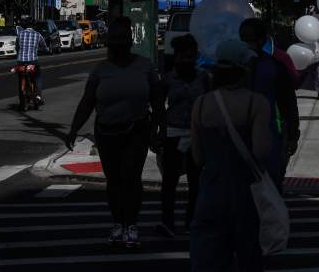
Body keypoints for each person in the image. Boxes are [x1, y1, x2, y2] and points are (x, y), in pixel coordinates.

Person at [66, 16, 165, 249]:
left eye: (123, 38)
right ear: (109, 43)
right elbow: (87, 102)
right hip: (106, 133)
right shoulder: (100, 70)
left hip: (137, 130)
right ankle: (118, 223)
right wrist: (73, 130)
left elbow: (158, 101)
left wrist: (159, 131)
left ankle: (131, 224)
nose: (118, 43)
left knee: (131, 179)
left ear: (130, 41)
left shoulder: (145, 66)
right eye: (114, 39)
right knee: (114, 181)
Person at [189, 39, 271, 272]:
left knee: (209, 258)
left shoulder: (202, 104)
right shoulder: (257, 104)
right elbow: (261, 152)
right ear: (244, 69)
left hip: (211, 191)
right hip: (246, 193)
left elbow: (197, 157)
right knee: (249, 256)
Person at [156, 34, 210, 237]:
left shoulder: (203, 77)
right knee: (170, 181)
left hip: (197, 135)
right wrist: (158, 132)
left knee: (196, 181)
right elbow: (159, 107)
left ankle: (191, 220)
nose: (187, 61)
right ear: (176, 56)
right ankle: (167, 220)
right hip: (173, 133)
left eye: (191, 56)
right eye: (183, 56)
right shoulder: (168, 79)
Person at [239, 18, 300, 191]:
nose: (246, 43)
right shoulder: (234, 66)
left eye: (249, 39)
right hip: (244, 135)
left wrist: (293, 134)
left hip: (271, 134)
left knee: (270, 187)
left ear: (261, 40)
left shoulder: (275, 66)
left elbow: (288, 102)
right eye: (242, 39)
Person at [15, 18, 47, 110]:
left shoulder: (20, 35)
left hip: (21, 61)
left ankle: (22, 100)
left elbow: (17, 47)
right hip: (33, 61)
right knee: (37, 78)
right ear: (34, 26)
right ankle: (38, 97)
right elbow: (45, 47)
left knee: (21, 79)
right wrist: (44, 50)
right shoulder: (38, 35)